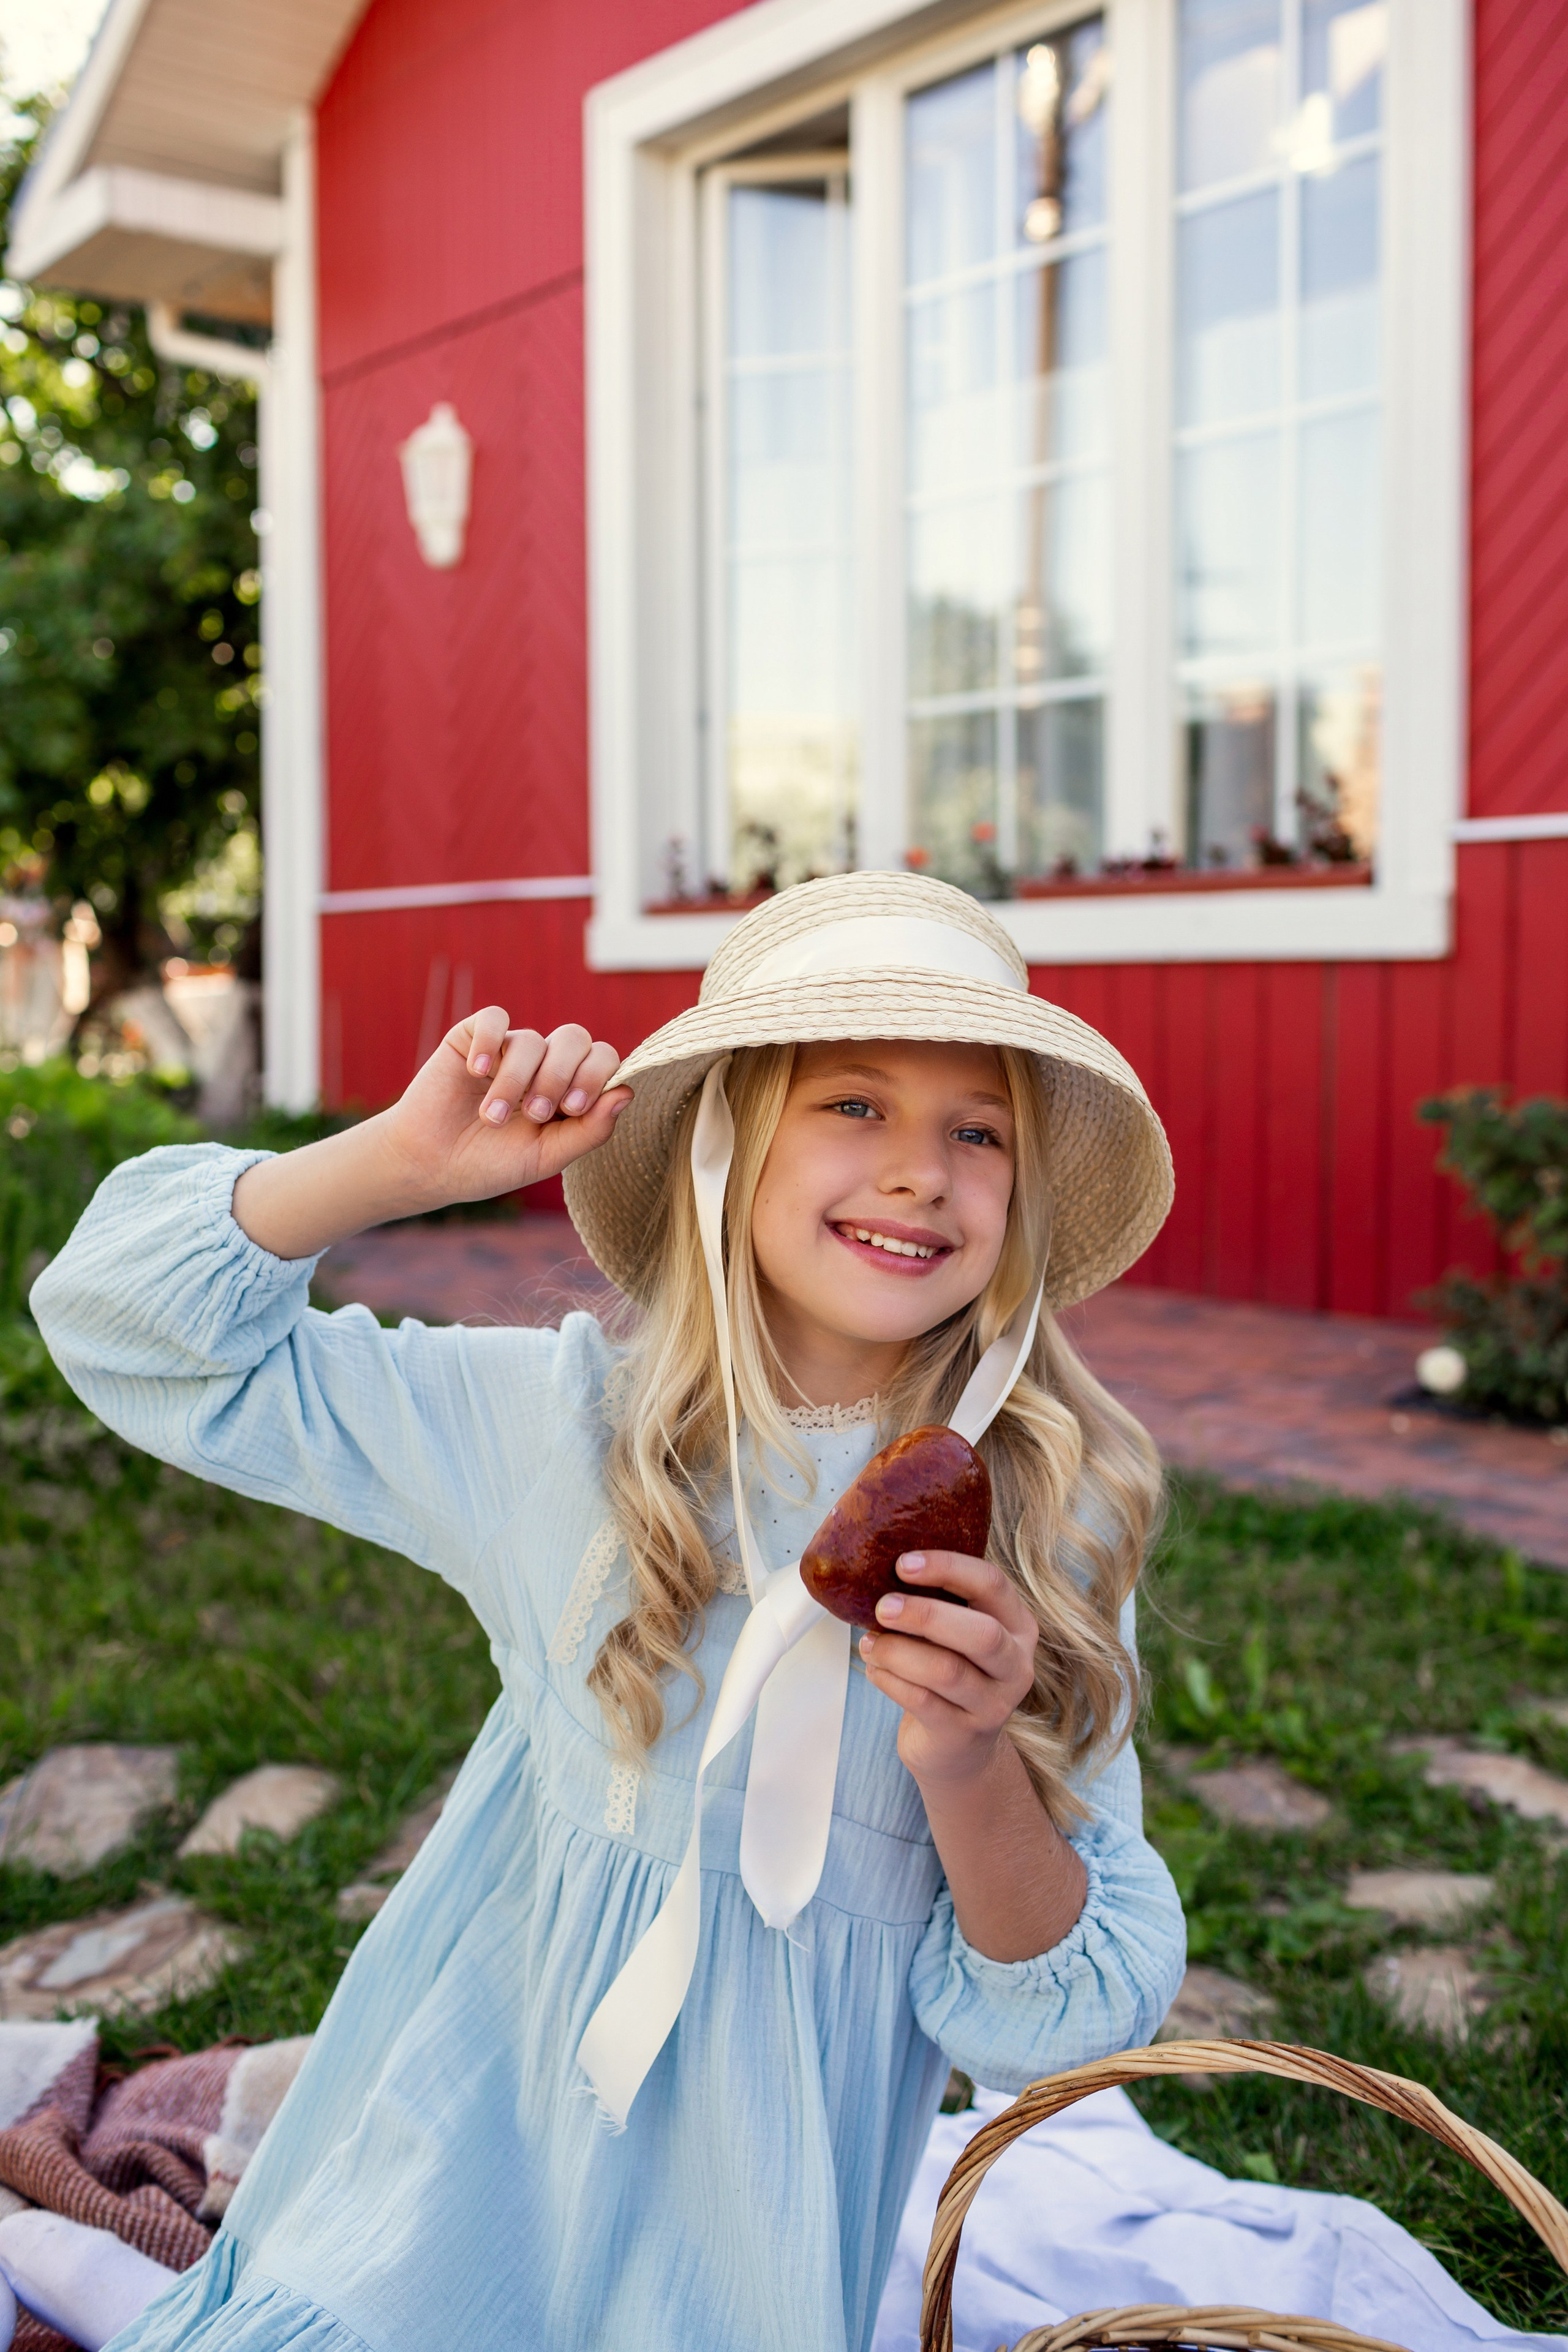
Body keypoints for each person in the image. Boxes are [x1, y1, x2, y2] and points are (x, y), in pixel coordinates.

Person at [31, 871, 1185, 2352]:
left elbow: (1062, 2027)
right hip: (454, 2179)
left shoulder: (1052, 1521)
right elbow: (130, 1327)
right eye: (854, 1106)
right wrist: (389, 1166)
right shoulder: (557, 1426)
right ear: (727, 1146)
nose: (921, 1172)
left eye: (979, 1132)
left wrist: (966, 1761)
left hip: (741, 2257)